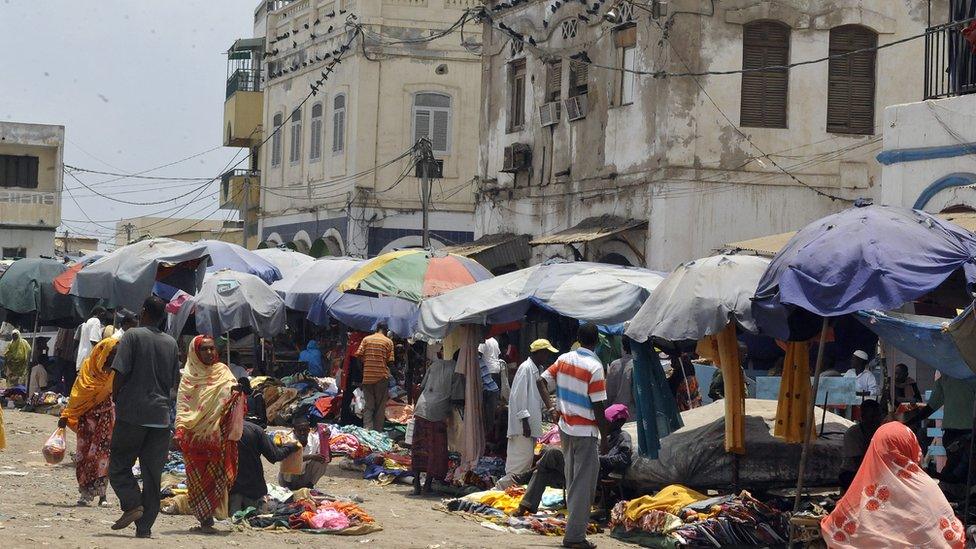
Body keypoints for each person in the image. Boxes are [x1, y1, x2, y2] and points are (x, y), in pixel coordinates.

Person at [821, 422, 965, 548]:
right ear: (910, 446)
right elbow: (951, 537)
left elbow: (835, 531)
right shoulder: (926, 487)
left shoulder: (868, 491)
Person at [107, 296, 181, 539]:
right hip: (160, 418)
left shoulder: (132, 336)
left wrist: (117, 398)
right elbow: (174, 381)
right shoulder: (170, 343)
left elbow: (119, 372)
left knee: (118, 465)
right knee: (152, 475)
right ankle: (145, 527)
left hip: (133, 414)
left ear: (144, 312)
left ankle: (131, 504)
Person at [537, 323, 609, 549]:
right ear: (596, 341)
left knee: (572, 481)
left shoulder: (564, 359)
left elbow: (542, 381)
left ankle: (574, 532)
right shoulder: (595, 366)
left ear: (578, 338)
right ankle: (575, 537)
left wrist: (551, 408)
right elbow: (598, 406)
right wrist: (605, 437)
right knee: (583, 485)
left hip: (565, 428)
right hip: (585, 431)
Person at [175, 335, 245, 534]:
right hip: (194, 437)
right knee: (196, 480)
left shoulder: (223, 371)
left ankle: (212, 516)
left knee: (217, 478)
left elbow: (232, 393)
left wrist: (239, 392)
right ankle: (205, 520)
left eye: (212, 349)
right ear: (195, 352)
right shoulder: (189, 376)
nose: (209, 353)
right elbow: (183, 406)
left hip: (217, 437)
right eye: (204, 349)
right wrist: (180, 429)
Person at [516, 404, 633, 516]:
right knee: (543, 471)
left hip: (596, 472)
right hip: (582, 466)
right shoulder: (605, 437)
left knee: (553, 452)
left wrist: (598, 459)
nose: (603, 425)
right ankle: (526, 505)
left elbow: (623, 460)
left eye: (606, 422)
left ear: (617, 423)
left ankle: (526, 476)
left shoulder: (623, 437)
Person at [58, 337, 120, 507]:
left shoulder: (115, 373)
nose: (113, 357)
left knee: (102, 456)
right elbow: (77, 394)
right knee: (84, 455)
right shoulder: (87, 368)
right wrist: (66, 415)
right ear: (102, 352)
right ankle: (85, 493)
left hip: (106, 419)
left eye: (115, 353)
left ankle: (102, 495)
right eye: (110, 353)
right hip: (87, 420)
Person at [497, 339, 558, 489]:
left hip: (529, 426)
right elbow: (518, 397)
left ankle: (509, 490)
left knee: (524, 463)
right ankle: (500, 489)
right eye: (546, 353)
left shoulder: (536, 369)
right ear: (539, 353)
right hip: (523, 427)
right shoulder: (525, 369)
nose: (547, 356)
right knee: (519, 465)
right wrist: (525, 421)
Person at [903, 374, 976, 492]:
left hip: (968, 432)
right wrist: (910, 422)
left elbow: (931, 407)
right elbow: (932, 406)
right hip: (953, 432)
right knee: (957, 468)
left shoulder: (968, 374)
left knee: (961, 469)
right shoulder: (945, 378)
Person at [411, 347, 456, 495]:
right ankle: (427, 486)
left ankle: (417, 483)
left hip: (422, 408)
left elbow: (422, 386)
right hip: (437, 413)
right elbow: (458, 397)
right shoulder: (457, 371)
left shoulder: (435, 364)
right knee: (435, 450)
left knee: (419, 448)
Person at [230, 420, 299, 515]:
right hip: (252, 490)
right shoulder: (255, 430)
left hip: (228, 491)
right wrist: (290, 446)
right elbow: (275, 456)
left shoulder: (219, 429)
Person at [355, 323, 394, 432]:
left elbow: (358, 357)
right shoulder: (388, 342)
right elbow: (390, 362)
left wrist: (364, 371)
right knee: (380, 407)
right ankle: (377, 432)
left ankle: (367, 431)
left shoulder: (366, 340)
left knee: (369, 406)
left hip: (367, 378)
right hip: (381, 377)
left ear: (376, 329)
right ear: (386, 330)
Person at [838, 399, 884, 491]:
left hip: (875, 470)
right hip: (853, 472)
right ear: (863, 416)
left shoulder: (881, 431)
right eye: (872, 417)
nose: (876, 420)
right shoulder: (853, 433)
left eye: (878, 416)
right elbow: (858, 461)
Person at [278, 416, 329, 489]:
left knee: (322, 460)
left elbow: (327, 458)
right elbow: (290, 459)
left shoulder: (314, 439)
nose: (302, 433)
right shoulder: (288, 439)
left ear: (308, 430)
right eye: (299, 430)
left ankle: (309, 487)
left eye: (304, 430)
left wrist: (326, 439)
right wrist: (311, 456)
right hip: (288, 479)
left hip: (305, 475)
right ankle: (289, 489)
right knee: (289, 461)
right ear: (294, 431)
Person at [76, 306, 108, 372]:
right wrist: (103, 352)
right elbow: (94, 340)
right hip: (89, 359)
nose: (105, 317)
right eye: (104, 314)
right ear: (100, 313)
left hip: (82, 358)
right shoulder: (96, 321)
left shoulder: (86, 322)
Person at [480, 347, 501, 443]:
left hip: (490, 391)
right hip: (490, 387)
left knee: (489, 419)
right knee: (488, 418)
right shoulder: (476, 359)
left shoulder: (474, 360)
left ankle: (490, 442)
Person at [606, 339, 634, 410]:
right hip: (634, 412)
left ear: (623, 347)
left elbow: (609, 392)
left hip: (617, 412)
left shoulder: (614, 365)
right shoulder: (638, 365)